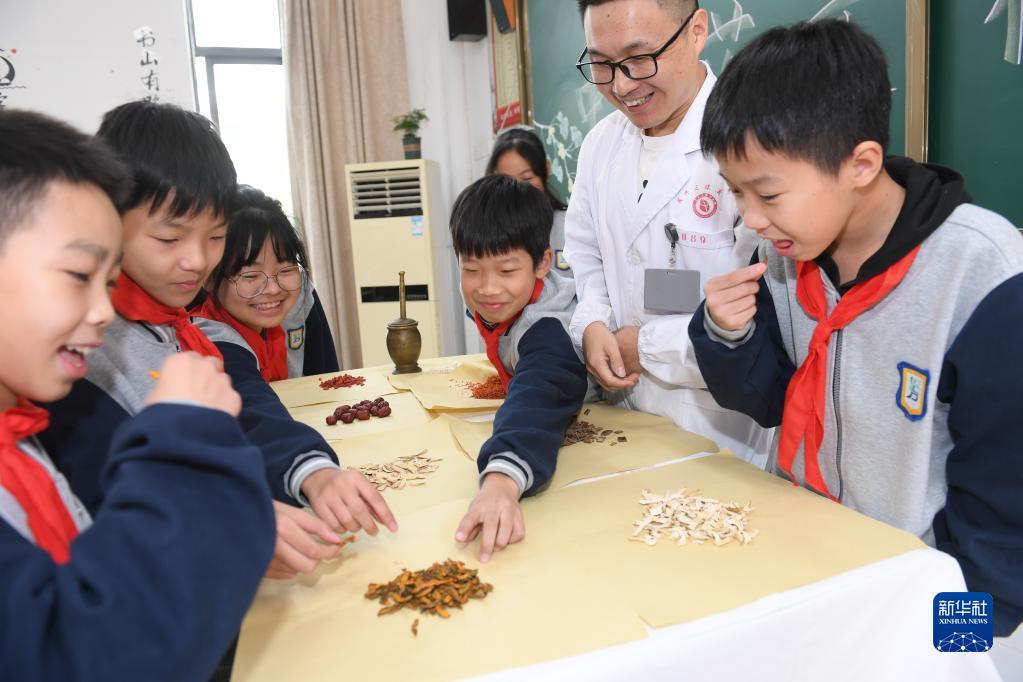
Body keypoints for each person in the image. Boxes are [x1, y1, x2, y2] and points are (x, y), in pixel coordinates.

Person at [689, 20, 1022, 637]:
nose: (751, 218)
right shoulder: (785, 252)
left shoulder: (983, 276)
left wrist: (949, 638)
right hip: (808, 565)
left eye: (766, 193)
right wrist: (725, 335)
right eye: (736, 193)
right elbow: (768, 403)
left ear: (861, 164)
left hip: (918, 597)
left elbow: (1005, 512)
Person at [39, 101, 395, 586]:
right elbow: (105, 500)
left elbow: (248, 413)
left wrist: (314, 472)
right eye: (169, 239)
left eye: (216, 237)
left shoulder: (179, 327)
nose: (196, 261)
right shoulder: (87, 352)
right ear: (108, 220)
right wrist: (230, 529)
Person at [0, 108, 275, 680]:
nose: (104, 312)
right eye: (79, 277)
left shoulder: (20, 442)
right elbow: (93, 652)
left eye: (108, 282)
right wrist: (184, 442)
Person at [565, 0, 770, 466]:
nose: (621, 85)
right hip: (624, 421)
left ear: (697, 31)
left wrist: (643, 347)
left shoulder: (751, 140)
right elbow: (585, 253)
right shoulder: (601, 145)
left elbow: (765, 315)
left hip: (723, 433)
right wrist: (593, 321)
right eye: (601, 64)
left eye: (639, 59)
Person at [450, 175, 588, 562]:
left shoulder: (549, 329)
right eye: (471, 270)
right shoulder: (501, 302)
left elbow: (538, 394)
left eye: (506, 271)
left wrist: (501, 479)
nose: (488, 288)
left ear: (543, 263)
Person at [194, 184, 337, 381]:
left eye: (286, 269)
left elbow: (327, 378)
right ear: (208, 278)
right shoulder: (209, 343)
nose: (273, 289)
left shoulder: (300, 293)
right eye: (251, 276)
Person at [486, 128, 572, 276]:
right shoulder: (489, 232)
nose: (517, 190)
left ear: (546, 168)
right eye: (507, 181)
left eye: (526, 179)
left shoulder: (571, 226)